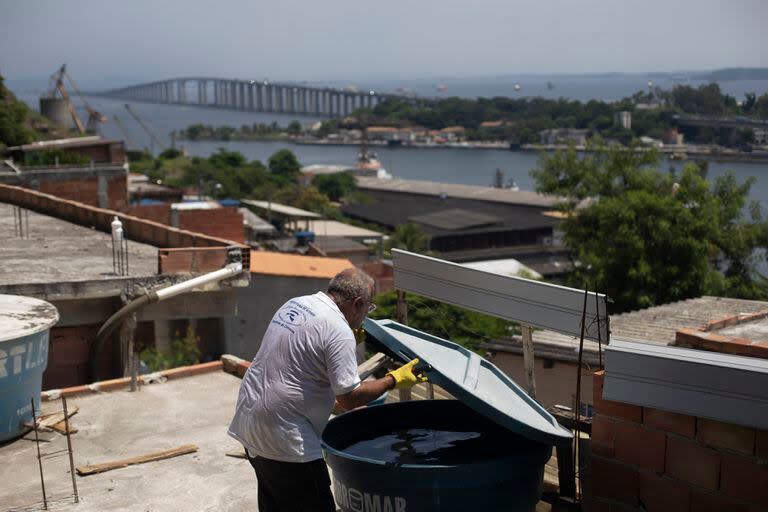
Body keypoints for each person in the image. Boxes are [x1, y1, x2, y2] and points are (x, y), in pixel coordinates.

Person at [228, 268, 426, 512]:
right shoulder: (338, 330)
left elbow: (307, 348)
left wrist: (347, 338)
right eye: (368, 309)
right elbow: (349, 399)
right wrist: (393, 380)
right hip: (287, 439)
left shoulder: (297, 304)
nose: (366, 316)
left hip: (250, 423)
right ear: (357, 303)